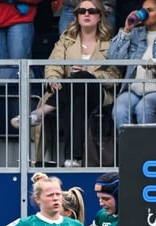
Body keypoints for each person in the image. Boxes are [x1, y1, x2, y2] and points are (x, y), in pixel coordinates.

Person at [11, 0, 120, 168]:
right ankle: (72, 159)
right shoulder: (66, 39)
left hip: (98, 93)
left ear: (100, 16)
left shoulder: (111, 42)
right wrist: (53, 78)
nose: (86, 14)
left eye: (91, 11)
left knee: (82, 77)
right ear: (76, 16)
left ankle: (39, 113)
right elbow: (53, 63)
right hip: (70, 94)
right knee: (76, 100)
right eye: (82, 11)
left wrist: (91, 74)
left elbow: (114, 74)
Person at [108, 0, 156, 129]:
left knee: (143, 108)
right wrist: (127, 29)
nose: (145, 14)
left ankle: (148, 149)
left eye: (150, 11)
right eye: (143, 11)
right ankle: (128, 149)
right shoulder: (134, 33)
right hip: (133, 89)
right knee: (119, 110)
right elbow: (114, 58)